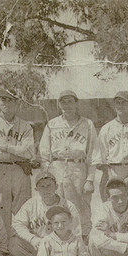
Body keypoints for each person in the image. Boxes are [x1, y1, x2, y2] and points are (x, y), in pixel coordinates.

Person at [8, 171, 82, 256]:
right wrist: (33, 239)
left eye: (49, 185)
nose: (46, 189)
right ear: (36, 189)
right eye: (42, 186)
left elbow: (76, 233)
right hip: (38, 245)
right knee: (13, 243)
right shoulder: (31, 204)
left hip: (60, 249)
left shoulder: (68, 206)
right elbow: (17, 224)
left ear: (56, 187)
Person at [39, 90, 97, 240]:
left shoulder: (87, 124)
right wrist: (46, 175)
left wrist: (90, 179)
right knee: (55, 207)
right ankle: (56, 245)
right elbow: (44, 153)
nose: (67, 105)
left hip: (78, 168)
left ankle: (83, 245)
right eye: (63, 102)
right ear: (59, 104)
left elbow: (93, 154)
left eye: (70, 101)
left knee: (81, 208)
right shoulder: (52, 124)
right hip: (57, 167)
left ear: (76, 103)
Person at [0, 88, 35, 233]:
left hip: (19, 172)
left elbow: (29, 152)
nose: (7, 103)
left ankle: (21, 249)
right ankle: (0, 248)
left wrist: (5, 147)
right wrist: (16, 155)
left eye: (11, 99)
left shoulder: (25, 126)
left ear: (17, 102)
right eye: (3, 99)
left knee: (23, 211)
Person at [92, 91, 128, 204]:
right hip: (112, 171)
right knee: (111, 206)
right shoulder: (106, 129)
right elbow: (100, 159)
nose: (120, 106)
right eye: (118, 103)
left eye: (124, 103)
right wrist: (111, 177)